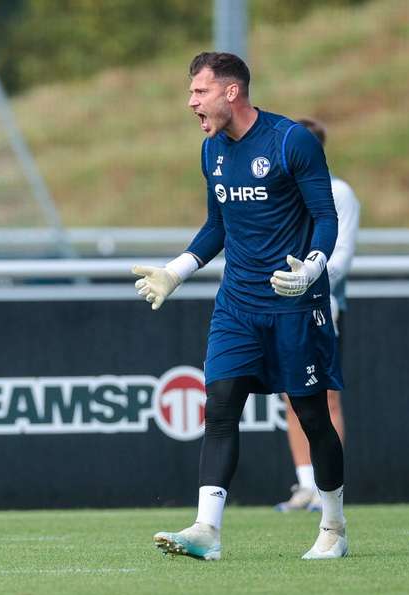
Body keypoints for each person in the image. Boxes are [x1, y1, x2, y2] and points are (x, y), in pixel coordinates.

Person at [132, 52, 347, 561]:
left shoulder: (290, 140)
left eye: (199, 92)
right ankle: (207, 530)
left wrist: (311, 268)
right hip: (238, 306)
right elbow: (217, 228)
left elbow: (326, 215)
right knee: (222, 405)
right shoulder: (211, 151)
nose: (191, 102)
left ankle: (334, 527)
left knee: (312, 415)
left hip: (296, 304)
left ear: (231, 92)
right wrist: (175, 271)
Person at [274, 118, 360, 513]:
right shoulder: (280, 189)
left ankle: (330, 488)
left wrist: (309, 275)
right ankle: (305, 484)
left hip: (321, 303)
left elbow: (341, 253)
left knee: (325, 397)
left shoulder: (338, 191)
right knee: (291, 396)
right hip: (281, 305)